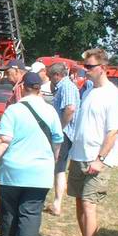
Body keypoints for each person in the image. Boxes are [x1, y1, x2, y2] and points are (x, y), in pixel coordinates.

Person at [0, 72, 63, 236]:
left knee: (9, 208)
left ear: (22, 87)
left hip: (13, 169)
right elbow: (57, 141)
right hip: (40, 171)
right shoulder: (51, 111)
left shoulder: (13, 111)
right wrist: (52, 159)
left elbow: (4, 140)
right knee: (31, 210)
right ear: (39, 88)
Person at [67, 48, 118, 236]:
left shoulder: (113, 96)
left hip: (97, 161)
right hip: (80, 156)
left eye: (90, 67)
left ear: (103, 68)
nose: (86, 70)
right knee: (80, 203)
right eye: (85, 66)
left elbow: (113, 132)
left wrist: (100, 159)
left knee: (90, 206)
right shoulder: (90, 91)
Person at [46, 62, 80, 216]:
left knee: (58, 167)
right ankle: (56, 202)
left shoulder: (66, 87)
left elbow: (70, 108)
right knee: (58, 168)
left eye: (50, 76)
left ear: (57, 75)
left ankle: (57, 203)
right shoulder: (65, 86)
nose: (49, 80)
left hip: (64, 133)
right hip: (65, 133)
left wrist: (59, 128)